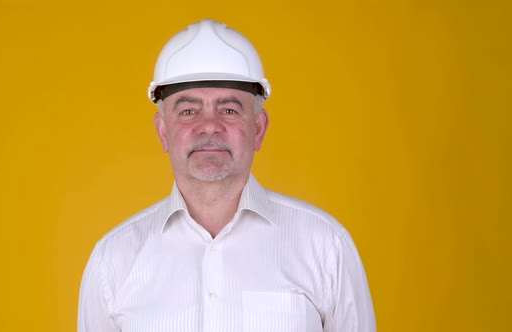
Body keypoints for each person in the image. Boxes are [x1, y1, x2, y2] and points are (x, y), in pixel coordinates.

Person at [78, 19, 376, 332]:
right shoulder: (112, 261)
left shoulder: (325, 246)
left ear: (258, 129)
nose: (209, 125)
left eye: (229, 110)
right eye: (188, 111)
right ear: (163, 132)